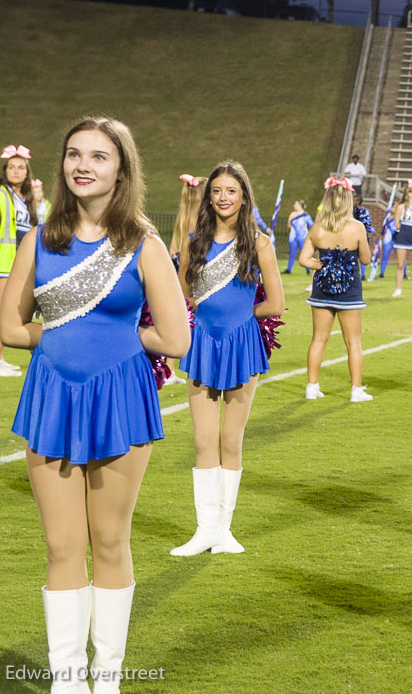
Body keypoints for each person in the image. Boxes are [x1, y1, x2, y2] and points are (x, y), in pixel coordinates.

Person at [1, 116, 190, 692]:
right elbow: (10, 327)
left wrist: (122, 340)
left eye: (99, 157)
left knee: (110, 540)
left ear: (121, 169)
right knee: (62, 545)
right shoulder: (39, 240)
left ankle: (105, 678)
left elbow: (176, 339)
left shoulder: (144, 243)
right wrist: (59, 336)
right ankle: (67, 679)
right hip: (52, 396)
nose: (83, 165)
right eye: (74, 154)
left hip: (119, 398)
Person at [172, 161, 283, 558]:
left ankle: (224, 529)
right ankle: (204, 530)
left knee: (229, 440)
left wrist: (241, 318)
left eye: (231, 191)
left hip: (240, 345)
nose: (223, 197)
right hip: (202, 343)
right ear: (209, 196)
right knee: (203, 439)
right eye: (216, 190)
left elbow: (277, 302)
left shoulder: (259, 243)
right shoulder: (194, 241)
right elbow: (184, 292)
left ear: (243, 196)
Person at [300, 176, 372, 401]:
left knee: (318, 339)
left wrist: (321, 264)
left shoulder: (318, 228)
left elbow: (304, 259)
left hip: (322, 290)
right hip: (349, 292)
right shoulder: (357, 228)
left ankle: (312, 386)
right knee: (353, 341)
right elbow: (366, 260)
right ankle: (356, 390)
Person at [0, 143, 37, 377]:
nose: (16, 171)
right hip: (1, 264)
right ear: (5, 170)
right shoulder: (0, 195)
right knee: (0, 314)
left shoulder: (22, 197)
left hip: (15, 264)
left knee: (14, 312)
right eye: (12, 167)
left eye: (21, 167)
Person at [390, 180, 412, 298]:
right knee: (400, 265)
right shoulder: (401, 207)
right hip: (402, 238)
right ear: (409, 193)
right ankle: (398, 289)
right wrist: (404, 231)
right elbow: (397, 223)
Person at [284, 199, 313, 274]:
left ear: (300, 205)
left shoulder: (306, 215)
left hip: (303, 237)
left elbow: (312, 225)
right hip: (293, 237)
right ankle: (288, 269)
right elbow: (288, 224)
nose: (294, 205)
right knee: (292, 253)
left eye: (295, 204)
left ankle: (308, 270)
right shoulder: (292, 214)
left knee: (304, 253)